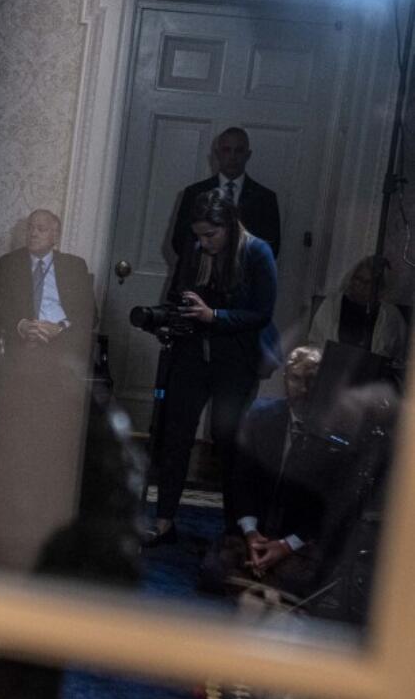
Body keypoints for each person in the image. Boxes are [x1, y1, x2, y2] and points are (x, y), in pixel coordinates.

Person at [149, 189, 281, 546]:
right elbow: (179, 294)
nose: (203, 242)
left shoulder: (257, 251)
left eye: (211, 235)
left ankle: (236, 529)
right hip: (192, 353)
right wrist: (170, 317)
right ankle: (163, 521)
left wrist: (214, 315)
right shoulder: (194, 251)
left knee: (229, 444)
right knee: (175, 438)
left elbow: (262, 314)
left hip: (235, 358)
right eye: (198, 235)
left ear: (231, 226)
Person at [199, 347, 331, 596]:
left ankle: (261, 573)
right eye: (296, 379)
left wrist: (286, 545)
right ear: (285, 379)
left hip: (297, 537)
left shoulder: (331, 431)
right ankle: (262, 569)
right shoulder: (261, 415)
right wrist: (251, 534)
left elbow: (324, 504)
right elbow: (242, 480)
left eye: (311, 381)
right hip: (257, 529)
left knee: (302, 582)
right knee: (212, 573)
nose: (303, 389)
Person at [0, 209, 96, 371]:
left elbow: (91, 315)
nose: (33, 233)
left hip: (62, 342)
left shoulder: (74, 266)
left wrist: (59, 328)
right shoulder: (9, 264)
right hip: (22, 342)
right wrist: (21, 325)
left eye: (41, 229)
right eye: (30, 228)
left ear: (56, 236)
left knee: (66, 372)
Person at [171, 127, 281, 259]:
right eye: (226, 150)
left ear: (248, 155)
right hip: (200, 274)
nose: (232, 157)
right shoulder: (195, 193)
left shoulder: (265, 198)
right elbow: (179, 241)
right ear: (217, 154)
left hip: (246, 276)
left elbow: (272, 247)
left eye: (239, 151)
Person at [308, 255, 408, 361]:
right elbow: (315, 342)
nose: (360, 285)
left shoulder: (390, 314)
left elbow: (398, 355)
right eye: (358, 278)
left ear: (380, 287)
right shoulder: (332, 304)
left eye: (368, 282)